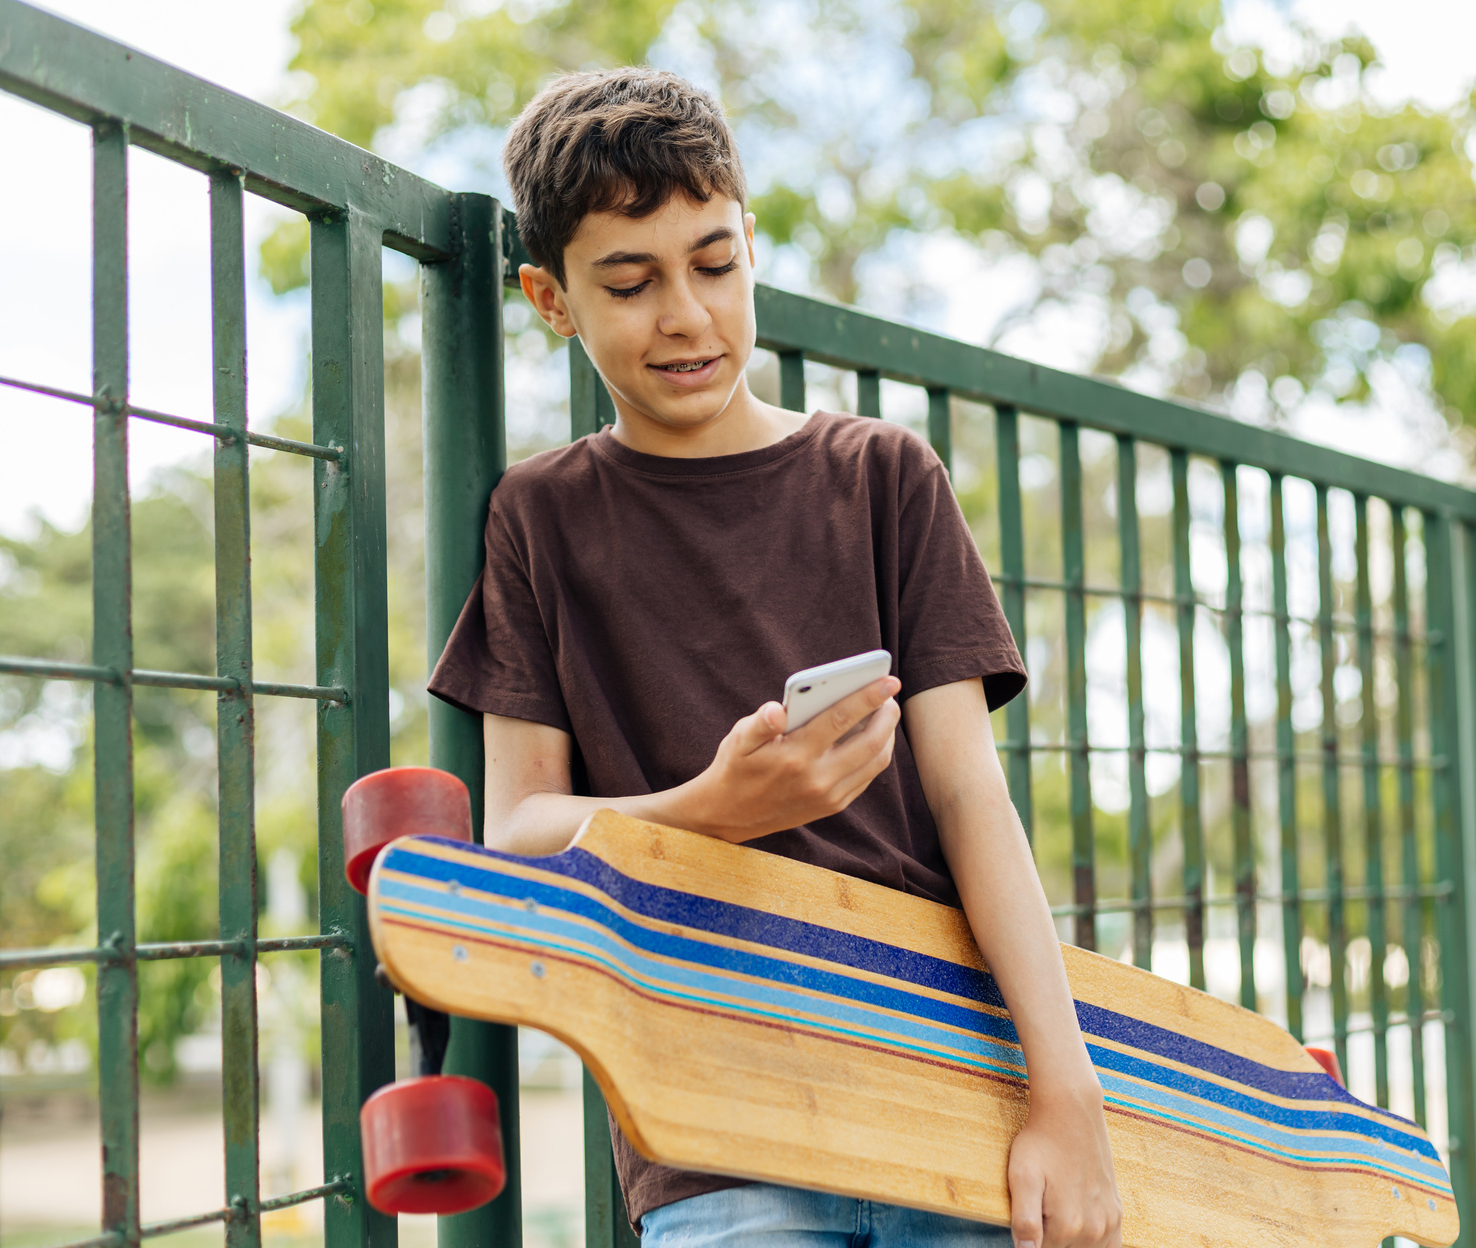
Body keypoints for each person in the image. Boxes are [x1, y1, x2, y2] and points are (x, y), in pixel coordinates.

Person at [427, 66, 1122, 1248]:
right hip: (713, 1126)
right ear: (553, 300)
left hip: (947, 1091)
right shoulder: (538, 517)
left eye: (713, 262)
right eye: (630, 282)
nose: (686, 315)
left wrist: (1069, 1093)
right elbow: (519, 826)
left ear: (751, 243)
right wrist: (713, 806)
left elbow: (970, 797)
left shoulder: (883, 478)